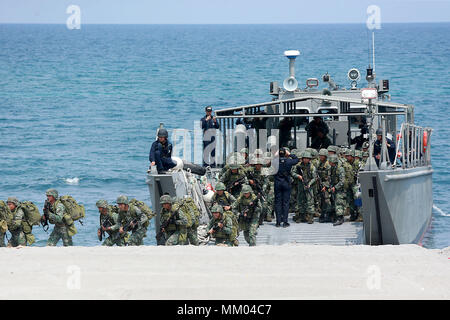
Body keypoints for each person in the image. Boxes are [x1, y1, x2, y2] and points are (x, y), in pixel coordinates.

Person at [273, 148, 299, 227]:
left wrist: (275, 155)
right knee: (286, 203)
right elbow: (297, 159)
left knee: (278, 203)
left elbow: (270, 160)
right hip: (286, 183)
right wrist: (290, 154)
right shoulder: (289, 161)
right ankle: (285, 222)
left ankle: (278, 222)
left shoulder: (275, 161)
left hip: (277, 183)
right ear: (285, 154)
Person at [291, 151, 317, 224]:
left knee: (310, 201)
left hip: (309, 185)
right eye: (304, 158)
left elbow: (315, 178)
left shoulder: (312, 167)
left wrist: (309, 183)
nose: (306, 160)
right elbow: (292, 173)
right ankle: (302, 216)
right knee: (300, 200)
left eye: (307, 158)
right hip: (300, 185)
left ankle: (310, 217)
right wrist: (298, 176)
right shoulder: (298, 166)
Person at [328, 155, 346, 226]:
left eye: (330, 162)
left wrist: (335, 187)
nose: (329, 163)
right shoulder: (332, 168)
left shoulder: (340, 169)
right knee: (334, 202)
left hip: (340, 189)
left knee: (339, 203)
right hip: (334, 188)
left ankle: (340, 218)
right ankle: (336, 216)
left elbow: (342, 181)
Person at [316, 149, 332, 223]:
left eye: (322, 156)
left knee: (327, 200)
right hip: (320, 184)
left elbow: (330, 177)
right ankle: (322, 214)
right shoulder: (319, 164)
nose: (320, 157)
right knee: (321, 200)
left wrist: (325, 186)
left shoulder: (328, 165)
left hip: (327, 185)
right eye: (320, 156)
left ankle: (328, 215)